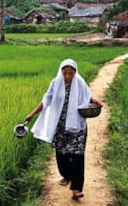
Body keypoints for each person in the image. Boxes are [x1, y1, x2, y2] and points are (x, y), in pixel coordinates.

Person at [25, 58, 102, 200]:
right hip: (60, 127)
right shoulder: (55, 83)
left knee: (78, 156)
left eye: (70, 73)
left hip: (77, 126)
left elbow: (87, 96)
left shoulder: (79, 82)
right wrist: (32, 114)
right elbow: (46, 100)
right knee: (62, 154)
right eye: (65, 73)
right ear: (61, 72)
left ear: (75, 72)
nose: (67, 76)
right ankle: (67, 175)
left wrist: (94, 100)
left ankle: (77, 188)